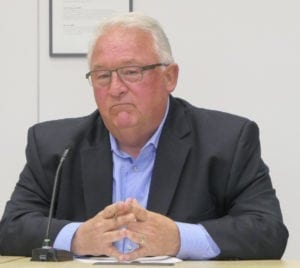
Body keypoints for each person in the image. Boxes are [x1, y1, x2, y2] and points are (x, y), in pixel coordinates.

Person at [0, 12, 288, 261]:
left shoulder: (227, 141)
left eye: (131, 72)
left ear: (169, 77)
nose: (115, 88)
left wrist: (178, 239)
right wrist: (78, 237)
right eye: (102, 75)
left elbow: (268, 231)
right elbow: (11, 229)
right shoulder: (55, 146)